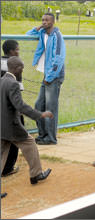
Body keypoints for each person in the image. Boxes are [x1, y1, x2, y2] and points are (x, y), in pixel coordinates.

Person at [1, 56, 53, 184]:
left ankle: (36, 174)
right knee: (30, 143)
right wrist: (40, 115)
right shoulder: (13, 83)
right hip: (12, 126)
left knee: (1, 155)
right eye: (22, 68)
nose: (22, 71)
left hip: (2, 125)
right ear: (16, 69)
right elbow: (20, 106)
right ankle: (36, 174)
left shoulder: (2, 80)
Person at [26, 12, 66, 145]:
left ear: (53, 22)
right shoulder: (43, 33)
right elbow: (27, 35)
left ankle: (51, 138)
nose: (44, 22)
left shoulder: (57, 36)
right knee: (39, 105)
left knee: (50, 108)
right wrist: (37, 28)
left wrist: (50, 76)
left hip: (54, 76)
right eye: (42, 20)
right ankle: (42, 135)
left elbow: (59, 58)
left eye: (47, 20)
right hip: (46, 75)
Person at [1, 40, 24, 177]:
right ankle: (8, 168)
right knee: (16, 137)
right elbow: (18, 90)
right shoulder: (15, 65)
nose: (18, 52)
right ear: (11, 52)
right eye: (17, 49)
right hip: (11, 108)